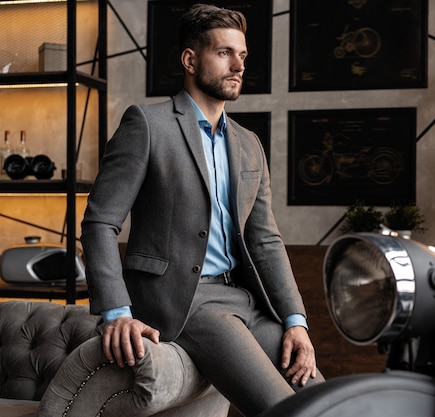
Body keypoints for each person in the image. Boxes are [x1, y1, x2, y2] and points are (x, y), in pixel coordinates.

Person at [80, 3, 323, 416]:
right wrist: (117, 313)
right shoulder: (147, 125)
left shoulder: (249, 144)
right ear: (190, 60)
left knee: (327, 400)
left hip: (245, 299)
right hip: (185, 301)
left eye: (242, 55)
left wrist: (295, 321)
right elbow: (100, 222)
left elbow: (265, 240)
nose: (238, 65)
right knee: (284, 409)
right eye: (224, 53)